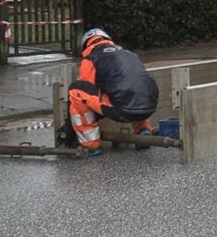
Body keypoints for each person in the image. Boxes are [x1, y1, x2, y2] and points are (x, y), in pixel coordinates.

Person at [66, 28, 159, 157]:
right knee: (134, 91)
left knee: (76, 91)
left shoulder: (91, 57)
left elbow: (86, 86)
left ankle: (91, 145)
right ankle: (143, 130)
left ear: (86, 44)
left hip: (122, 109)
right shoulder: (129, 54)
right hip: (149, 106)